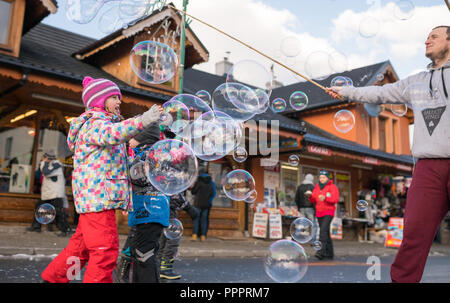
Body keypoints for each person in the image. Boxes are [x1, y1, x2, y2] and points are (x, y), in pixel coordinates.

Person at [327, 25, 450, 282]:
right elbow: (379, 93)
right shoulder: (415, 81)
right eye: (426, 35)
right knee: (414, 232)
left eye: (434, 36)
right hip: (427, 168)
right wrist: (345, 92)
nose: (426, 40)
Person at [40, 76, 162, 283]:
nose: (119, 101)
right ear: (99, 101)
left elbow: (118, 156)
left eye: (119, 97)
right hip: (97, 200)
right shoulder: (94, 123)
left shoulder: (104, 125)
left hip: (96, 199)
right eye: (114, 97)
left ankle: (53, 279)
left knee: (80, 249)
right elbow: (114, 133)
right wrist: (143, 120)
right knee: (105, 251)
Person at [115, 123, 170, 283]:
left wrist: (127, 165)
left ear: (142, 137)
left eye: (134, 135)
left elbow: (137, 177)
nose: (130, 138)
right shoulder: (158, 154)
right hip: (150, 212)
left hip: (149, 212)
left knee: (144, 256)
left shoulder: (147, 155)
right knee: (142, 254)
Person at [27, 151, 71, 236]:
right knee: (39, 207)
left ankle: (66, 229)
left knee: (58, 211)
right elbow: (44, 170)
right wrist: (47, 163)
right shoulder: (46, 164)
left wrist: (48, 163)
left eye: (45, 158)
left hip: (56, 193)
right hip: (48, 193)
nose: (44, 159)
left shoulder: (57, 165)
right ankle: (36, 226)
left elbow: (47, 172)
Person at [308, 170, 339, 260]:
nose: (321, 179)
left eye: (323, 177)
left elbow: (335, 199)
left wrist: (326, 198)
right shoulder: (317, 187)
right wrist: (310, 197)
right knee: (325, 233)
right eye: (320, 177)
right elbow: (314, 200)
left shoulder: (333, 187)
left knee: (322, 231)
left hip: (328, 212)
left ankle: (321, 252)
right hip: (319, 212)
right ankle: (330, 253)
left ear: (327, 178)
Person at [190, 169, 216, 242]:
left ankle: (194, 235)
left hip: (197, 204)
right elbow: (213, 193)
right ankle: (203, 236)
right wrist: (209, 200)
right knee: (204, 220)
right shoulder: (211, 182)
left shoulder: (198, 181)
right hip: (207, 204)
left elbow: (193, 192)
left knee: (196, 219)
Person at [294, 173, 319, 243]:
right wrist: (315, 210)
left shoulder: (300, 187)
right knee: (313, 225)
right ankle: (313, 240)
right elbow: (314, 200)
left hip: (301, 208)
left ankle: (297, 239)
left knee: (301, 224)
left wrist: (299, 208)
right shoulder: (312, 187)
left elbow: (296, 199)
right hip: (310, 208)